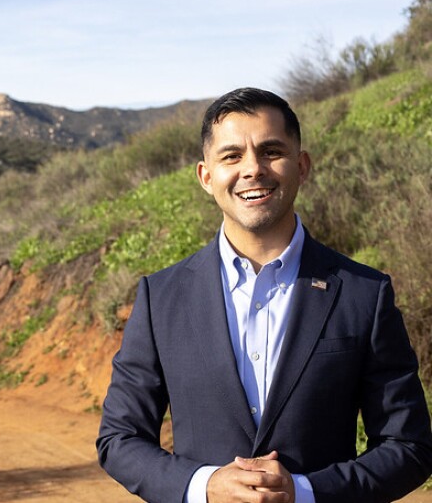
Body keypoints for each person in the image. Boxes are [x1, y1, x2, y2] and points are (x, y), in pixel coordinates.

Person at [97, 87, 432, 503]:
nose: (253, 169)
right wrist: (203, 486)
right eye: (232, 156)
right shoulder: (160, 297)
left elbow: (409, 446)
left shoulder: (364, 293)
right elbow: (119, 438)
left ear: (302, 166)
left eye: (271, 150)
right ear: (206, 176)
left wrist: (305, 491)